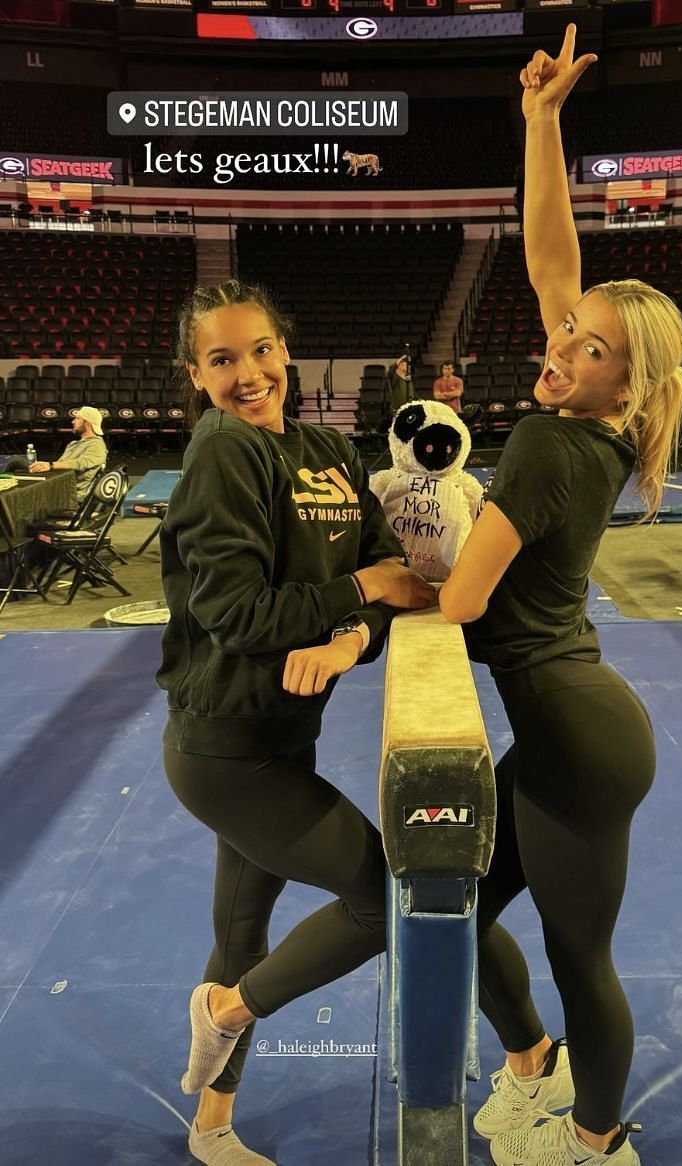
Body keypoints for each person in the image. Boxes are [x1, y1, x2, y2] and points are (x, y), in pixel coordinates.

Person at [439, 27, 682, 1166]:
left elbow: (455, 603)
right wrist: (541, 124)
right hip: (558, 721)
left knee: (580, 952)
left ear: (621, 383)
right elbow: (551, 263)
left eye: (586, 349)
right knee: (452, 900)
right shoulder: (593, 414)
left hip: (577, 737)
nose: (559, 348)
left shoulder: (549, 441)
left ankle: (596, 1141)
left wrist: (378, 588)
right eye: (566, 335)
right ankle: (531, 1064)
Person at [157, 279, 436, 1166]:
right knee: (382, 898)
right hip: (226, 750)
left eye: (262, 350)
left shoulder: (327, 448)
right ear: (194, 376)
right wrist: (361, 593)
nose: (249, 374)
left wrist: (355, 631)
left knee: (241, 934)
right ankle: (225, 1011)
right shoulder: (221, 451)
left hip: (284, 735)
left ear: (288, 350)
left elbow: (389, 571)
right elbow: (239, 614)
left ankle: (211, 1126)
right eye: (223, 360)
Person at [29, 405, 107, 501]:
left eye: (78, 419)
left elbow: (80, 464)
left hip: (70, 494)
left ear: (87, 423)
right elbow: (60, 465)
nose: (73, 421)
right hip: (57, 486)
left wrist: (50, 465)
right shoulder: (73, 444)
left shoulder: (96, 445)